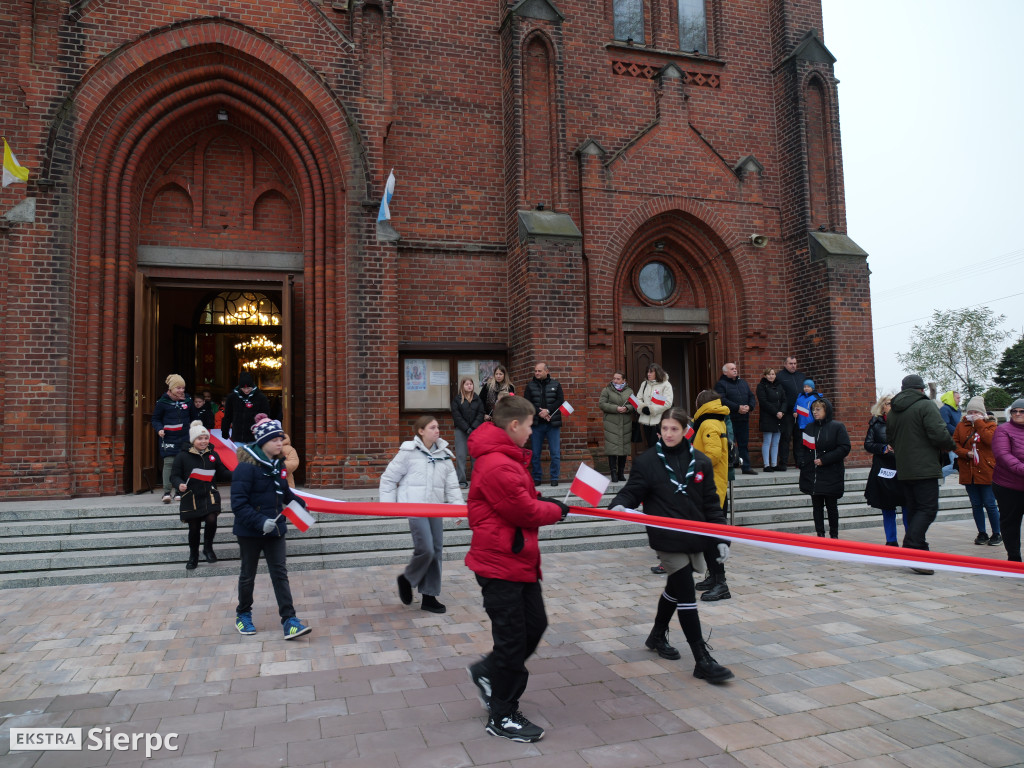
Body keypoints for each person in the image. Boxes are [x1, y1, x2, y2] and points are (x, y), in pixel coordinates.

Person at [464, 395, 569, 743]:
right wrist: (556, 510)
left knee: (535, 625)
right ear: (513, 425)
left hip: (518, 560)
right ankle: (503, 714)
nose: (531, 432)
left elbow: (524, 498)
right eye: (528, 426)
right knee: (510, 641)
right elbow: (522, 511)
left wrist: (543, 501)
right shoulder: (497, 463)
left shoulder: (508, 459)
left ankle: (488, 673)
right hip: (499, 564)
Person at [609, 407, 734, 685]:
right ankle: (702, 660)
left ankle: (656, 635)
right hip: (666, 538)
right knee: (687, 593)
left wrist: (722, 538)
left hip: (694, 537)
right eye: (664, 428)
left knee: (675, 589)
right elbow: (633, 491)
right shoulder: (648, 461)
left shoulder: (700, 462)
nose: (668, 433)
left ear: (685, 431)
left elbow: (712, 504)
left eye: (673, 429)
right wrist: (619, 504)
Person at [231, 416, 312, 639]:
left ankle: (289, 620)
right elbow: (238, 504)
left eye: (280, 438)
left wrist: (302, 505)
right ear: (263, 441)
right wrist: (259, 522)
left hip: (275, 529)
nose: (280, 442)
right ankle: (243, 614)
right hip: (249, 532)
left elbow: (285, 493)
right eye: (275, 439)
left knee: (280, 574)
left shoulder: (277, 465)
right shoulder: (245, 469)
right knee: (248, 574)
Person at [380, 415, 462, 614]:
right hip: (414, 507)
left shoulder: (444, 454)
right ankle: (407, 578)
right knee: (426, 549)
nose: (437, 430)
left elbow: (452, 486)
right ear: (421, 431)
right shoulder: (408, 452)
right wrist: (387, 506)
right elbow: (389, 478)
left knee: (436, 550)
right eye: (432, 427)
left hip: (436, 508)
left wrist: (458, 508)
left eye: (438, 427)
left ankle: (429, 596)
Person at [887, 374, 956, 574]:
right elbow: (939, 433)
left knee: (916, 509)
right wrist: (952, 446)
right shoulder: (926, 406)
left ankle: (920, 551)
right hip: (924, 467)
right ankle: (911, 545)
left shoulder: (893, 412)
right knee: (928, 509)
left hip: (905, 468)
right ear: (921, 389)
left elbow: (890, 438)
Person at [170, 419, 232, 569]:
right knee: (194, 528)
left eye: (206, 438)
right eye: (200, 438)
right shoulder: (182, 456)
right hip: (191, 496)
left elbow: (222, 472)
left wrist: (238, 474)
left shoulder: (213, 454)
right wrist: (179, 484)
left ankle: (208, 548)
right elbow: (174, 475)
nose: (204, 441)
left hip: (209, 494)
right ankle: (194, 555)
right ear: (193, 440)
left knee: (212, 519)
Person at [690, 390, 733, 601]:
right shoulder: (715, 421)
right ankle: (714, 577)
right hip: (712, 487)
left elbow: (713, 456)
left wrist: (691, 467)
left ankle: (721, 583)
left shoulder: (708, 424)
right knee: (708, 538)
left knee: (712, 538)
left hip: (711, 490)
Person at [953, 396, 1002, 547]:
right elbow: (954, 443)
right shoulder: (961, 426)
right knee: (975, 504)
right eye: (970, 411)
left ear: (982, 412)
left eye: (976, 411)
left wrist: (979, 422)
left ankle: (997, 533)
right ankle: (982, 532)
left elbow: (990, 440)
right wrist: (964, 453)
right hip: (969, 471)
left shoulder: (990, 425)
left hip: (987, 471)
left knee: (990, 504)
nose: (972, 414)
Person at [798, 399, 850, 538]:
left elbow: (844, 448)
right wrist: (803, 462)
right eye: (813, 410)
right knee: (817, 506)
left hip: (831, 472)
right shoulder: (809, 427)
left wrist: (825, 459)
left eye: (818, 410)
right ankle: (820, 534)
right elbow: (804, 448)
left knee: (831, 506)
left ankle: (834, 535)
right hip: (814, 474)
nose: (815, 412)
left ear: (826, 411)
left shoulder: (837, 427)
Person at [863, 394, 907, 546]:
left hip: (902, 468)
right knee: (887, 507)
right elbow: (868, 444)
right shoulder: (875, 423)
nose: (892, 406)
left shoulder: (905, 422)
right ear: (882, 406)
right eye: (889, 403)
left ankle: (910, 540)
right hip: (884, 469)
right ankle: (891, 541)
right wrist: (883, 448)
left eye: (894, 403)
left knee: (907, 505)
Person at [151, 373, 196, 504]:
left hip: (185, 438)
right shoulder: (162, 402)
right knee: (169, 463)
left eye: (183, 388)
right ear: (171, 389)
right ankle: (166, 492)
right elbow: (155, 419)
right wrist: (159, 428)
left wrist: (195, 431)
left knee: (183, 464)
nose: (181, 391)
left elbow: (194, 417)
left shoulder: (188, 401)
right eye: (178, 388)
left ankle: (179, 491)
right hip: (169, 438)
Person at [992, 398, 1024, 562]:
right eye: (1014, 411)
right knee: (1011, 522)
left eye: (1021, 411)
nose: (1018, 414)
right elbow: (1003, 455)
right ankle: (1014, 557)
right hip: (1008, 485)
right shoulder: (1003, 430)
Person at [523, 362, 565, 486]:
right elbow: (527, 403)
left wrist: (548, 411)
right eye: (535, 371)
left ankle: (554, 478)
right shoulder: (530, 386)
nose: (537, 373)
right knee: (535, 453)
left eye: (539, 371)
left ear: (547, 371)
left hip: (552, 424)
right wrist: (539, 412)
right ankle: (537, 478)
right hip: (536, 424)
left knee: (555, 453)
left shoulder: (556, 384)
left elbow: (560, 400)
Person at [715, 362, 757, 474]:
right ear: (725, 372)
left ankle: (746, 467)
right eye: (732, 369)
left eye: (735, 368)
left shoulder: (743, 383)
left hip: (743, 418)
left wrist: (750, 406)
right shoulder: (721, 384)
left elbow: (751, 396)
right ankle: (730, 467)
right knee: (730, 443)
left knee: (744, 444)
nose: (735, 370)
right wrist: (737, 408)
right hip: (730, 419)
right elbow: (722, 400)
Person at [599, 371, 636, 483]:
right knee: (612, 449)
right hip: (611, 423)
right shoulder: (607, 390)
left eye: (618, 379)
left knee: (623, 449)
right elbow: (602, 404)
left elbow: (634, 404)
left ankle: (621, 473)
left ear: (624, 380)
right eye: (614, 378)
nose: (615, 381)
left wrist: (627, 408)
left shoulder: (629, 391)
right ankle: (613, 473)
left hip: (625, 423)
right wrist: (616, 408)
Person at [451, 377, 485, 488]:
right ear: (462, 386)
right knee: (461, 455)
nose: (469, 386)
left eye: (471, 384)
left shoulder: (477, 399)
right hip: (461, 431)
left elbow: (481, 413)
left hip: (475, 431)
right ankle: (462, 481)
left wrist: (474, 427)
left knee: (475, 456)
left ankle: (476, 481)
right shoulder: (457, 399)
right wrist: (466, 428)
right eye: (466, 384)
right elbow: (456, 416)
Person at [222, 371, 270, 444]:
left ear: (252, 386)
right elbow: (228, 416)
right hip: (238, 437)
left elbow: (265, 417)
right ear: (240, 387)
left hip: (254, 437)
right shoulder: (232, 398)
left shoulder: (261, 398)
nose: (246, 390)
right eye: (243, 388)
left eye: (248, 388)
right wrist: (225, 430)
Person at [776, 356, 806, 471]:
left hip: (800, 413)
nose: (793, 365)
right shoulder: (780, 376)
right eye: (790, 363)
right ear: (785, 364)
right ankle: (783, 462)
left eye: (795, 363)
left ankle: (799, 461)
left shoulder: (801, 376)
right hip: (787, 413)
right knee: (786, 437)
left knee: (799, 437)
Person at [636, 363, 674, 448]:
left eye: (651, 372)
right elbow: (638, 399)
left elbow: (668, 403)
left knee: (659, 447)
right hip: (646, 421)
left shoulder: (666, 384)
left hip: (659, 421)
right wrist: (642, 408)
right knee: (650, 447)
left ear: (657, 373)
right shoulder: (644, 384)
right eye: (647, 372)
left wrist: (652, 409)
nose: (648, 374)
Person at [756, 368, 786, 471]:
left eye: (773, 374)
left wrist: (782, 411)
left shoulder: (779, 386)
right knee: (767, 441)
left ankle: (774, 464)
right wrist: (776, 412)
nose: (771, 376)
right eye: (769, 374)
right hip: (768, 417)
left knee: (776, 442)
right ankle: (766, 465)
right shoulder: (761, 386)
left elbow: (784, 400)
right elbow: (764, 402)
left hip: (779, 417)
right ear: (765, 375)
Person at [793, 380, 823, 465]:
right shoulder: (800, 396)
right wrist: (794, 412)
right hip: (800, 424)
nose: (806, 388)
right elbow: (795, 407)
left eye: (808, 387)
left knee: (810, 444)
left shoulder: (816, 398)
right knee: (799, 444)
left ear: (812, 388)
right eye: (805, 387)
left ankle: (810, 461)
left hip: (811, 424)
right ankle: (799, 462)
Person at [939, 391, 962, 479]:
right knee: (955, 464)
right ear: (951, 398)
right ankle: (937, 478)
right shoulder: (944, 409)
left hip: (957, 439)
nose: (959, 400)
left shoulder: (957, 410)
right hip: (950, 440)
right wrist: (959, 432)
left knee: (956, 464)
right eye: (958, 398)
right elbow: (945, 424)